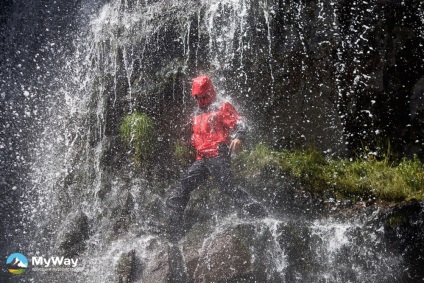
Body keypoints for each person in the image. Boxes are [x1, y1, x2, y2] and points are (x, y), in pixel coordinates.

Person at [165, 75, 266, 241]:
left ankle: (259, 214)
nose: (200, 100)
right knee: (182, 188)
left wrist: (239, 136)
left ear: (210, 92)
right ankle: (173, 228)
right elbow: (198, 135)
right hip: (201, 158)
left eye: (203, 96)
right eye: (196, 97)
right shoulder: (197, 113)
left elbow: (240, 122)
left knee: (227, 187)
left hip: (218, 154)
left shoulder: (221, 107)